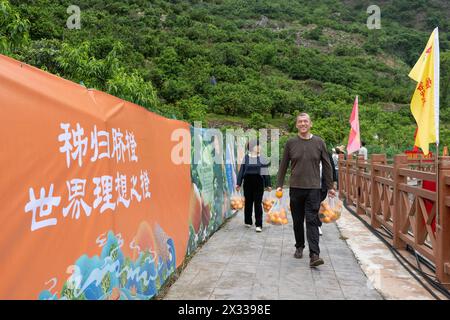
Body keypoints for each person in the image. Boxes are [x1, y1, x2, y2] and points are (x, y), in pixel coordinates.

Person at [276, 113, 335, 267]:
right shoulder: (290, 143)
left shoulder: (319, 142)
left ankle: (314, 254)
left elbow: (327, 166)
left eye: (305, 121)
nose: (303, 124)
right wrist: (279, 184)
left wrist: (330, 187)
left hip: (313, 189)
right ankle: (299, 246)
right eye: (300, 122)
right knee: (297, 221)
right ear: (296, 125)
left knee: (312, 220)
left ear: (310, 124)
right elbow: (283, 165)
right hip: (295, 188)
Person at [236, 139, 271, 232]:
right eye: (257, 145)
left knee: (258, 204)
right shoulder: (246, 157)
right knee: (248, 202)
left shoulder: (262, 158)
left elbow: (265, 172)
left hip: (259, 182)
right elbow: (241, 171)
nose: (260, 147)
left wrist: (268, 184)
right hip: (247, 182)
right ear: (252, 147)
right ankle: (248, 221)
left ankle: (258, 224)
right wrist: (238, 183)